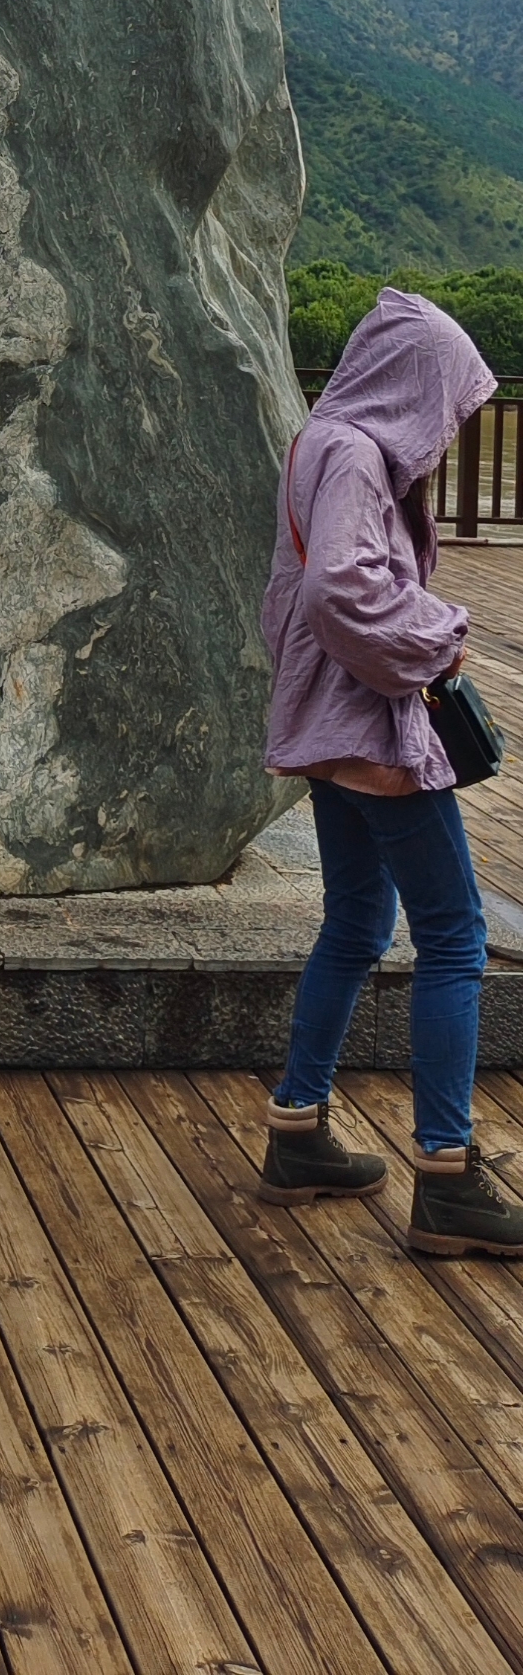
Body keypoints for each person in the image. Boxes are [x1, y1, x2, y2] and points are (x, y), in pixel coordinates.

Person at [259, 285, 523, 1256]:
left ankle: (296, 1132)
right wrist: (440, 634)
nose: (448, 430)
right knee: (455, 937)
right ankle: (448, 1178)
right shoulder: (361, 458)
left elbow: (293, 591)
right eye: (447, 404)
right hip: (372, 736)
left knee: (358, 923)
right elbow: (340, 586)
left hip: (329, 729)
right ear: (412, 387)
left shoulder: (320, 442)